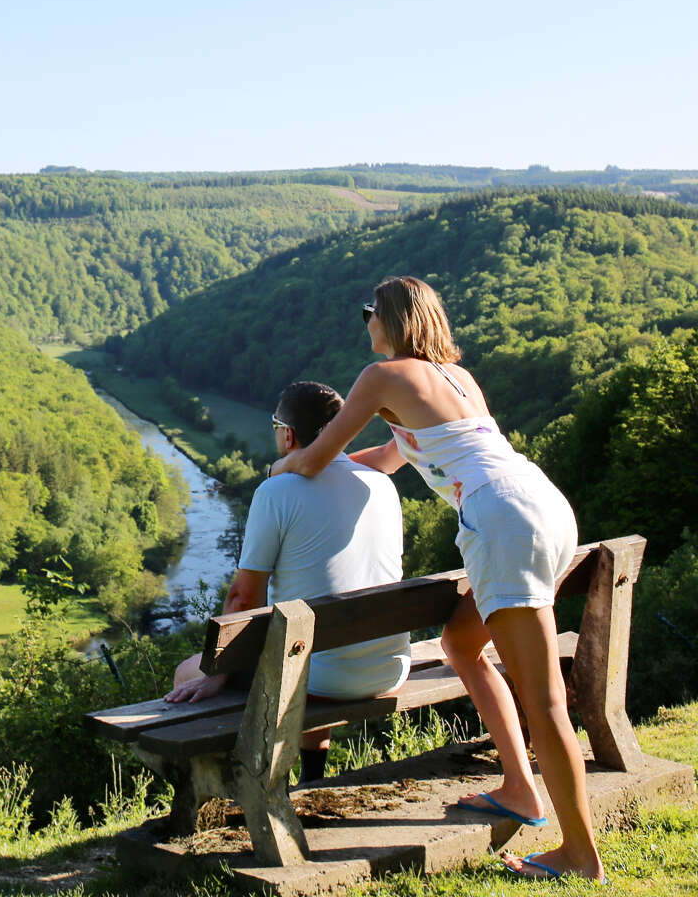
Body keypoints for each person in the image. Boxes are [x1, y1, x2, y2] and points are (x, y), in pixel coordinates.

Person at [267, 275, 602, 883]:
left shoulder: (383, 377)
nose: (364, 320)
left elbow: (315, 457)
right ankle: (521, 791)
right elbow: (388, 461)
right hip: (542, 505)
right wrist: (325, 467)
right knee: (462, 645)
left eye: (368, 311)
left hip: (502, 521)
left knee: (545, 696)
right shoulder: (456, 379)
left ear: (389, 319)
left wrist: (284, 466)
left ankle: (579, 856)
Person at [165, 380, 410, 785]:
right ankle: (312, 778)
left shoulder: (276, 491)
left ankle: (219, 791)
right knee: (314, 645)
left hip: (320, 676)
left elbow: (243, 598)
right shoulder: (382, 484)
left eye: (275, 424)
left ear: (288, 433)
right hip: (388, 668)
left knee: (186, 674)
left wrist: (218, 672)